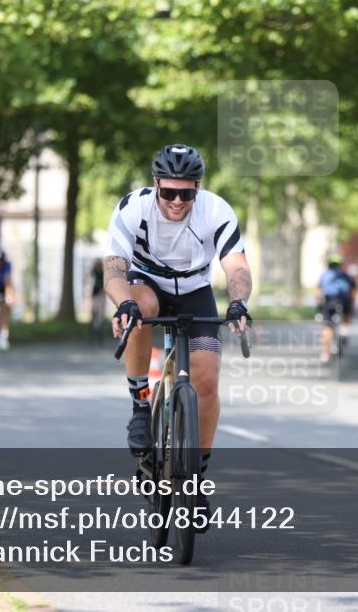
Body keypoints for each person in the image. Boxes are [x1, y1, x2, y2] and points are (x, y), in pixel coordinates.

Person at [104, 143, 253, 525]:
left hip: (194, 292)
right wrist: (124, 304)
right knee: (140, 310)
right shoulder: (133, 208)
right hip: (146, 283)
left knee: (205, 379)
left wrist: (238, 303)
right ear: (155, 184)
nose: (176, 201)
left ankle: (196, 479)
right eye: (168, 192)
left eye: (186, 193)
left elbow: (236, 267)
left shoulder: (216, 210)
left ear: (197, 189)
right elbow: (115, 270)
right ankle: (140, 404)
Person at [315, 255, 355, 363]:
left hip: (329, 302)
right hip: (344, 301)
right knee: (346, 316)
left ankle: (325, 353)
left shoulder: (324, 275)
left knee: (327, 327)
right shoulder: (346, 275)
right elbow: (353, 291)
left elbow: (318, 292)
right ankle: (344, 333)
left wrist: (319, 306)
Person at [89, 259, 106, 344]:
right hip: (95, 295)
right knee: (93, 317)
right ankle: (92, 337)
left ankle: (100, 338)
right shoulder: (94, 273)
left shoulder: (103, 274)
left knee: (100, 318)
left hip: (101, 295)